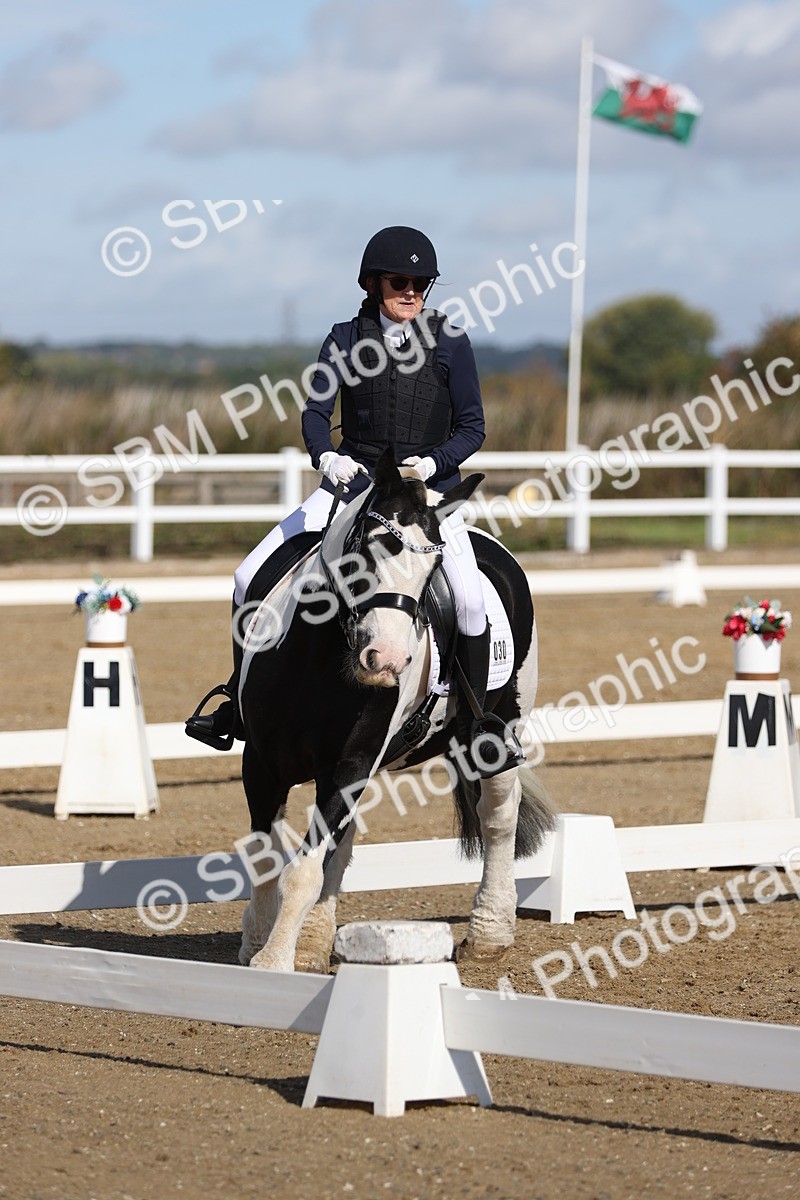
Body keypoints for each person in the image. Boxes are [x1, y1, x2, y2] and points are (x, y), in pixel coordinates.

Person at [185, 225, 523, 774]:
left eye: (420, 282)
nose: (410, 290)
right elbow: (316, 414)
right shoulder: (343, 339)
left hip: (424, 496)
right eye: (399, 281)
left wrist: (433, 464)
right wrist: (327, 457)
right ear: (373, 283)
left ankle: (477, 723)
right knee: (248, 576)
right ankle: (238, 707)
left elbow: (472, 426)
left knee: (468, 599)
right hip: (354, 486)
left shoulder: (452, 342)